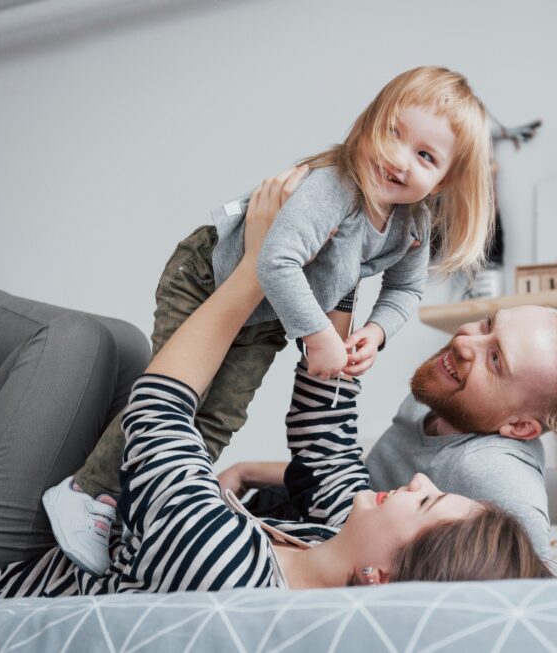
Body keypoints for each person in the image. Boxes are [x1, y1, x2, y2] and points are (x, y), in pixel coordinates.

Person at [0, 172, 549, 598]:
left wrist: (255, 263)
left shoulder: (229, 573)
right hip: (67, 545)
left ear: (381, 576)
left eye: (422, 503)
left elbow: (161, 414)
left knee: (79, 345)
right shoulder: (331, 538)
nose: (414, 482)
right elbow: (325, 435)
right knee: (120, 345)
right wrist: (351, 254)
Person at [41, 65, 498, 575]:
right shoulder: (335, 188)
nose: (399, 157)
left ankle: (129, 504)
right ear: (370, 121)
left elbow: (406, 288)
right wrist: (321, 334)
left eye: (425, 156)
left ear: (446, 178)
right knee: (172, 398)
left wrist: (377, 330)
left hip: (268, 315)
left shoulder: (411, 224)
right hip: (207, 278)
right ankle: (89, 493)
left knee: (219, 417)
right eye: (394, 131)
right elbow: (273, 260)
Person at [222, 299, 557, 558]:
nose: (466, 343)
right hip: (319, 507)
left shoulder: (496, 474)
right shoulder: (437, 395)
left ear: (519, 426)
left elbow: (531, 593)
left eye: (497, 360)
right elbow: (351, 474)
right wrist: (248, 471)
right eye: (487, 325)